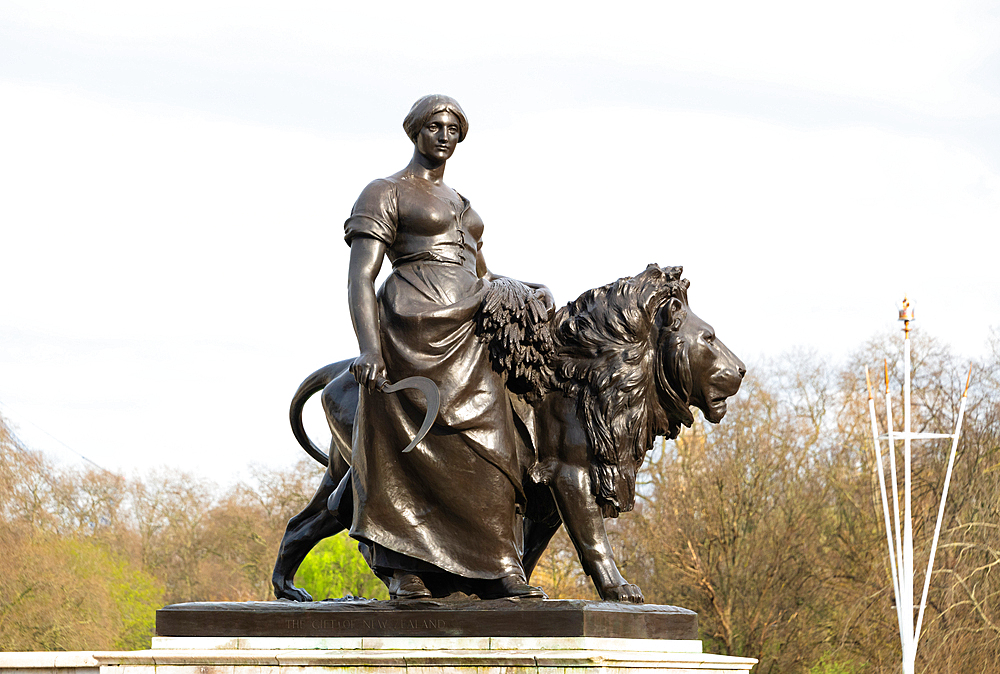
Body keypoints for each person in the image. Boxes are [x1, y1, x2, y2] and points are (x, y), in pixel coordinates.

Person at [344, 95, 554, 600]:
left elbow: (481, 272)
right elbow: (360, 276)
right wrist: (369, 348)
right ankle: (404, 567)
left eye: (454, 128)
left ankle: (500, 562)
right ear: (415, 131)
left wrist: (525, 288)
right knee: (406, 446)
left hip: (471, 330)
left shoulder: (463, 203)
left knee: (494, 444)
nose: (444, 135)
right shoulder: (385, 191)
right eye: (435, 126)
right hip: (411, 329)